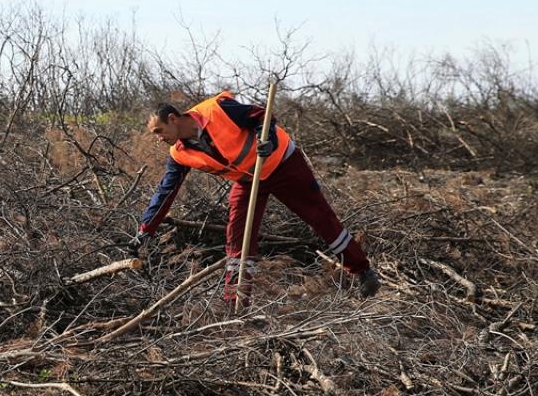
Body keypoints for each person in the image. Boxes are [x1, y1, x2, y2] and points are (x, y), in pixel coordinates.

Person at [133, 91, 380, 302]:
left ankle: (362, 272)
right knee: (237, 236)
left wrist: (268, 140)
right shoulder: (178, 154)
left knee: (320, 217)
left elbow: (262, 116)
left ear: (173, 119)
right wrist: (146, 230)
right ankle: (236, 302)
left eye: (159, 130)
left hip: (283, 163)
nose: (158, 138)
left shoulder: (217, 109)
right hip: (248, 180)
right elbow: (166, 191)